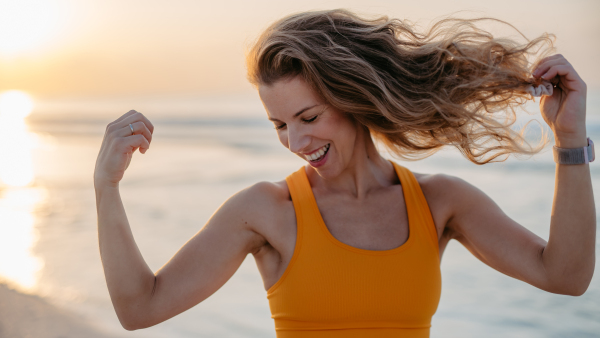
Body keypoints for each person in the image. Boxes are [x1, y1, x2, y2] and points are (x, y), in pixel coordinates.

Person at [93, 9, 595, 337]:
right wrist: (106, 187)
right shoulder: (266, 211)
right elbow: (141, 309)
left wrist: (569, 142)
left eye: (309, 118)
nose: (296, 142)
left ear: (354, 98)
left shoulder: (440, 203)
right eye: (280, 125)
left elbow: (566, 276)